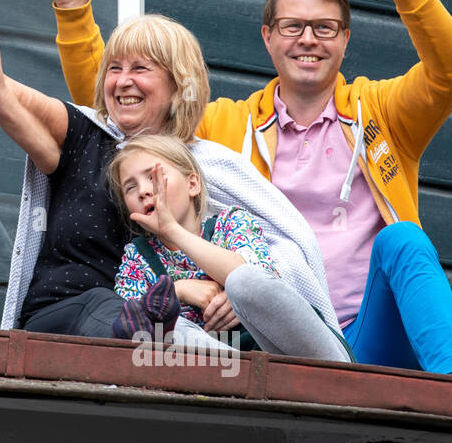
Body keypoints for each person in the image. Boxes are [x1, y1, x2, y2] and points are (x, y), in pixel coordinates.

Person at [42, 0, 452, 375]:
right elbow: (125, 114)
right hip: (279, 342)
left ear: (346, 39)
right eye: (292, 26)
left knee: (403, 240)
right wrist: (73, 12)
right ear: (268, 38)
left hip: (372, 334)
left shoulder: (384, 113)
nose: (308, 39)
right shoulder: (225, 127)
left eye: (325, 28)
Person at [0, 0, 334, 340]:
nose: (122, 81)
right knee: (131, 317)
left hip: (164, 335)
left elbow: (279, 258)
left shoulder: (208, 166)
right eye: (114, 68)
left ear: (177, 85)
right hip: (65, 321)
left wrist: (233, 292)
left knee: (181, 333)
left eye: (140, 69)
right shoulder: (80, 137)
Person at [107, 136, 351, 361]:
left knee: (244, 280)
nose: (144, 191)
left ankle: (340, 378)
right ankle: (252, 381)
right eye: (130, 187)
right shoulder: (137, 257)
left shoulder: (230, 222)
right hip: (224, 370)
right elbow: (131, 323)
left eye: (153, 176)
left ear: (192, 184)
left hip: (294, 353)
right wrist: (177, 291)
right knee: (165, 330)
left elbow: (255, 279)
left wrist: (172, 230)